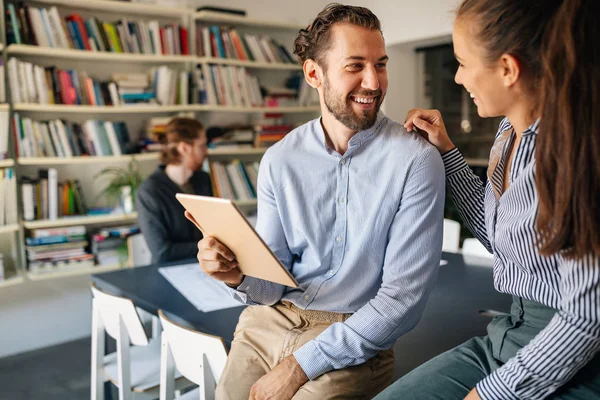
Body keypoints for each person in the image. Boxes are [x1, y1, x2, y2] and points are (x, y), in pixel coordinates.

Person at [185, 4, 446, 399]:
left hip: (352, 335)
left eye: (381, 64)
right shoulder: (279, 159)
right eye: (355, 66)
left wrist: (298, 366)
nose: (373, 82)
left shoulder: (416, 159)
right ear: (314, 74)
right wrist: (235, 275)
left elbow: (402, 300)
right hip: (266, 322)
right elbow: (273, 282)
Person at [376, 0, 600, 399]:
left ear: (509, 69)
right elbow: (498, 235)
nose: (459, 78)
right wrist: (446, 152)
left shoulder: (576, 156)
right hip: (505, 337)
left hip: (573, 358)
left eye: (462, 62)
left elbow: (587, 317)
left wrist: (493, 394)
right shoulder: (507, 134)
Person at [136, 117, 212, 263]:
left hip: (207, 266)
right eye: (202, 146)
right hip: (170, 271)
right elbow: (162, 252)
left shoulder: (203, 180)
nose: (206, 151)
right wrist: (208, 247)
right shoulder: (149, 191)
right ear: (184, 148)